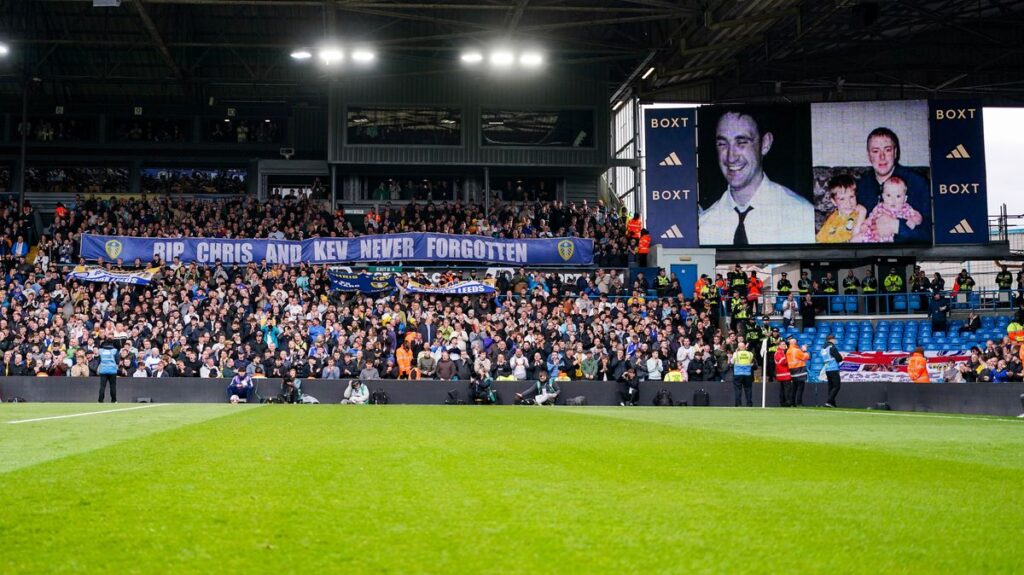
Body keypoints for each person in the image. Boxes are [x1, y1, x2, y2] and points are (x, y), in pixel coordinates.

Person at [699, 110, 815, 245]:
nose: (731, 157)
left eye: (741, 142)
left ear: (765, 144)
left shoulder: (802, 216)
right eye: (722, 144)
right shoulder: (703, 225)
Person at [854, 127, 930, 243]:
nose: (882, 156)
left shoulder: (917, 183)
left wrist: (897, 227)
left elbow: (931, 233)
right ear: (869, 155)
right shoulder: (862, 185)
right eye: (875, 151)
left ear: (895, 152)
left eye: (887, 150)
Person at [856, 177, 923, 243]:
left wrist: (914, 220)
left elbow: (917, 217)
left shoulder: (906, 208)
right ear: (883, 196)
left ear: (905, 198)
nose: (892, 200)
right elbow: (871, 217)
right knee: (857, 238)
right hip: (873, 236)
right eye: (888, 195)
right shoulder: (880, 206)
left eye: (898, 196)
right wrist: (865, 224)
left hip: (892, 239)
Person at [816, 174, 866, 243]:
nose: (848, 203)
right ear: (834, 202)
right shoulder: (832, 217)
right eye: (842, 199)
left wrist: (862, 214)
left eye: (851, 197)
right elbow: (820, 240)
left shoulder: (859, 215)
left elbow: (857, 240)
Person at [786, 338, 809, 406]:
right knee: (800, 388)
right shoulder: (796, 350)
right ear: (795, 343)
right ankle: (799, 402)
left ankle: (792, 402)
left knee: (794, 388)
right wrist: (804, 351)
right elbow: (805, 357)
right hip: (799, 370)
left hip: (792, 370)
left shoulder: (788, 351)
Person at [821, 334, 843, 408]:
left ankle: (832, 403)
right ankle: (829, 401)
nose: (835, 340)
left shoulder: (823, 348)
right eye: (834, 339)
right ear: (831, 340)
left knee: (831, 386)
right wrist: (841, 357)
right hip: (833, 368)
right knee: (837, 386)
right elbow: (839, 358)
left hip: (827, 369)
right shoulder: (832, 347)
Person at [732, 342, 754, 407]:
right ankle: (749, 404)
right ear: (745, 347)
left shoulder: (736, 354)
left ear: (738, 347)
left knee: (738, 390)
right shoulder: (750, 354)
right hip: (747, 374)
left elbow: (732, 362)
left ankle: (738, 404)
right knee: (748, 389)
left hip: (738, 374)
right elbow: (751, 361)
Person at [97, 339, 119, 403]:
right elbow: (117, 361)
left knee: (102, 386)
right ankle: (114, 400)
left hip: (103, 370)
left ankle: (100, 400)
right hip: (112, 371)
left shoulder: (101, 351)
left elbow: (99, 361)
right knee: (113, 386)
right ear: (112, 343)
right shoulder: (114, 351)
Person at [774, 339, 792, 407]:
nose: (784, 346)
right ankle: (786, 402)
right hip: (784, 374)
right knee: (787, 389)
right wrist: (789, 357)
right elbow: (783, 362)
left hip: (783, 374)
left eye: (785, 344)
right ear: (779, 345)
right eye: (783, 344)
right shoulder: (779, 353)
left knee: (783, 389)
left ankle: (784, 402)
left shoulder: (781, 352)